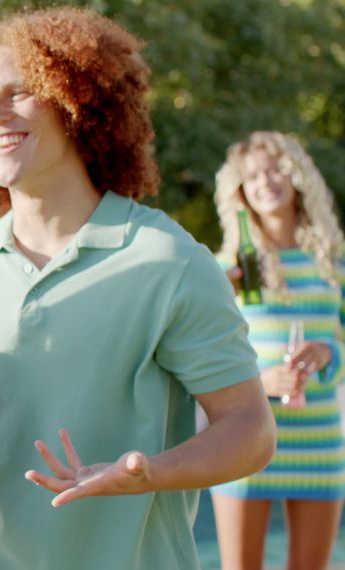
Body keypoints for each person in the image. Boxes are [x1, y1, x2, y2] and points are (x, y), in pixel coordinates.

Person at [0, 7, 277, 569]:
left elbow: (251, 431)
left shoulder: (167, 259)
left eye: (17, 93)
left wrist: (147, 475)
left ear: (74, 101)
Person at [210, 131, 345, 570]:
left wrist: (328, 354)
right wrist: (257, 383)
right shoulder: (227, 270)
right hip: (245, 439)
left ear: (297, 177)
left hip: (319, 443)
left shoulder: (333, 265)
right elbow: (203, 357)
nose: (265, 182)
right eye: (252, 177)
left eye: (274, 170)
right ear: (240, 194)